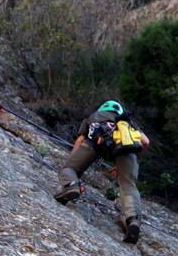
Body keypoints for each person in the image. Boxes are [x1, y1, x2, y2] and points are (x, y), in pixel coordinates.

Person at [54, 100, 150, 243]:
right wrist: (133, 160)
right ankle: (133, 220)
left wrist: (72, 160)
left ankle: (71, 185)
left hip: (96, 143)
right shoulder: (128, 122)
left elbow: (80, 140)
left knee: (69, 169)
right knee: (128, 185)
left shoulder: (94, 117)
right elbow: (146, 142)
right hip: (126, 149)